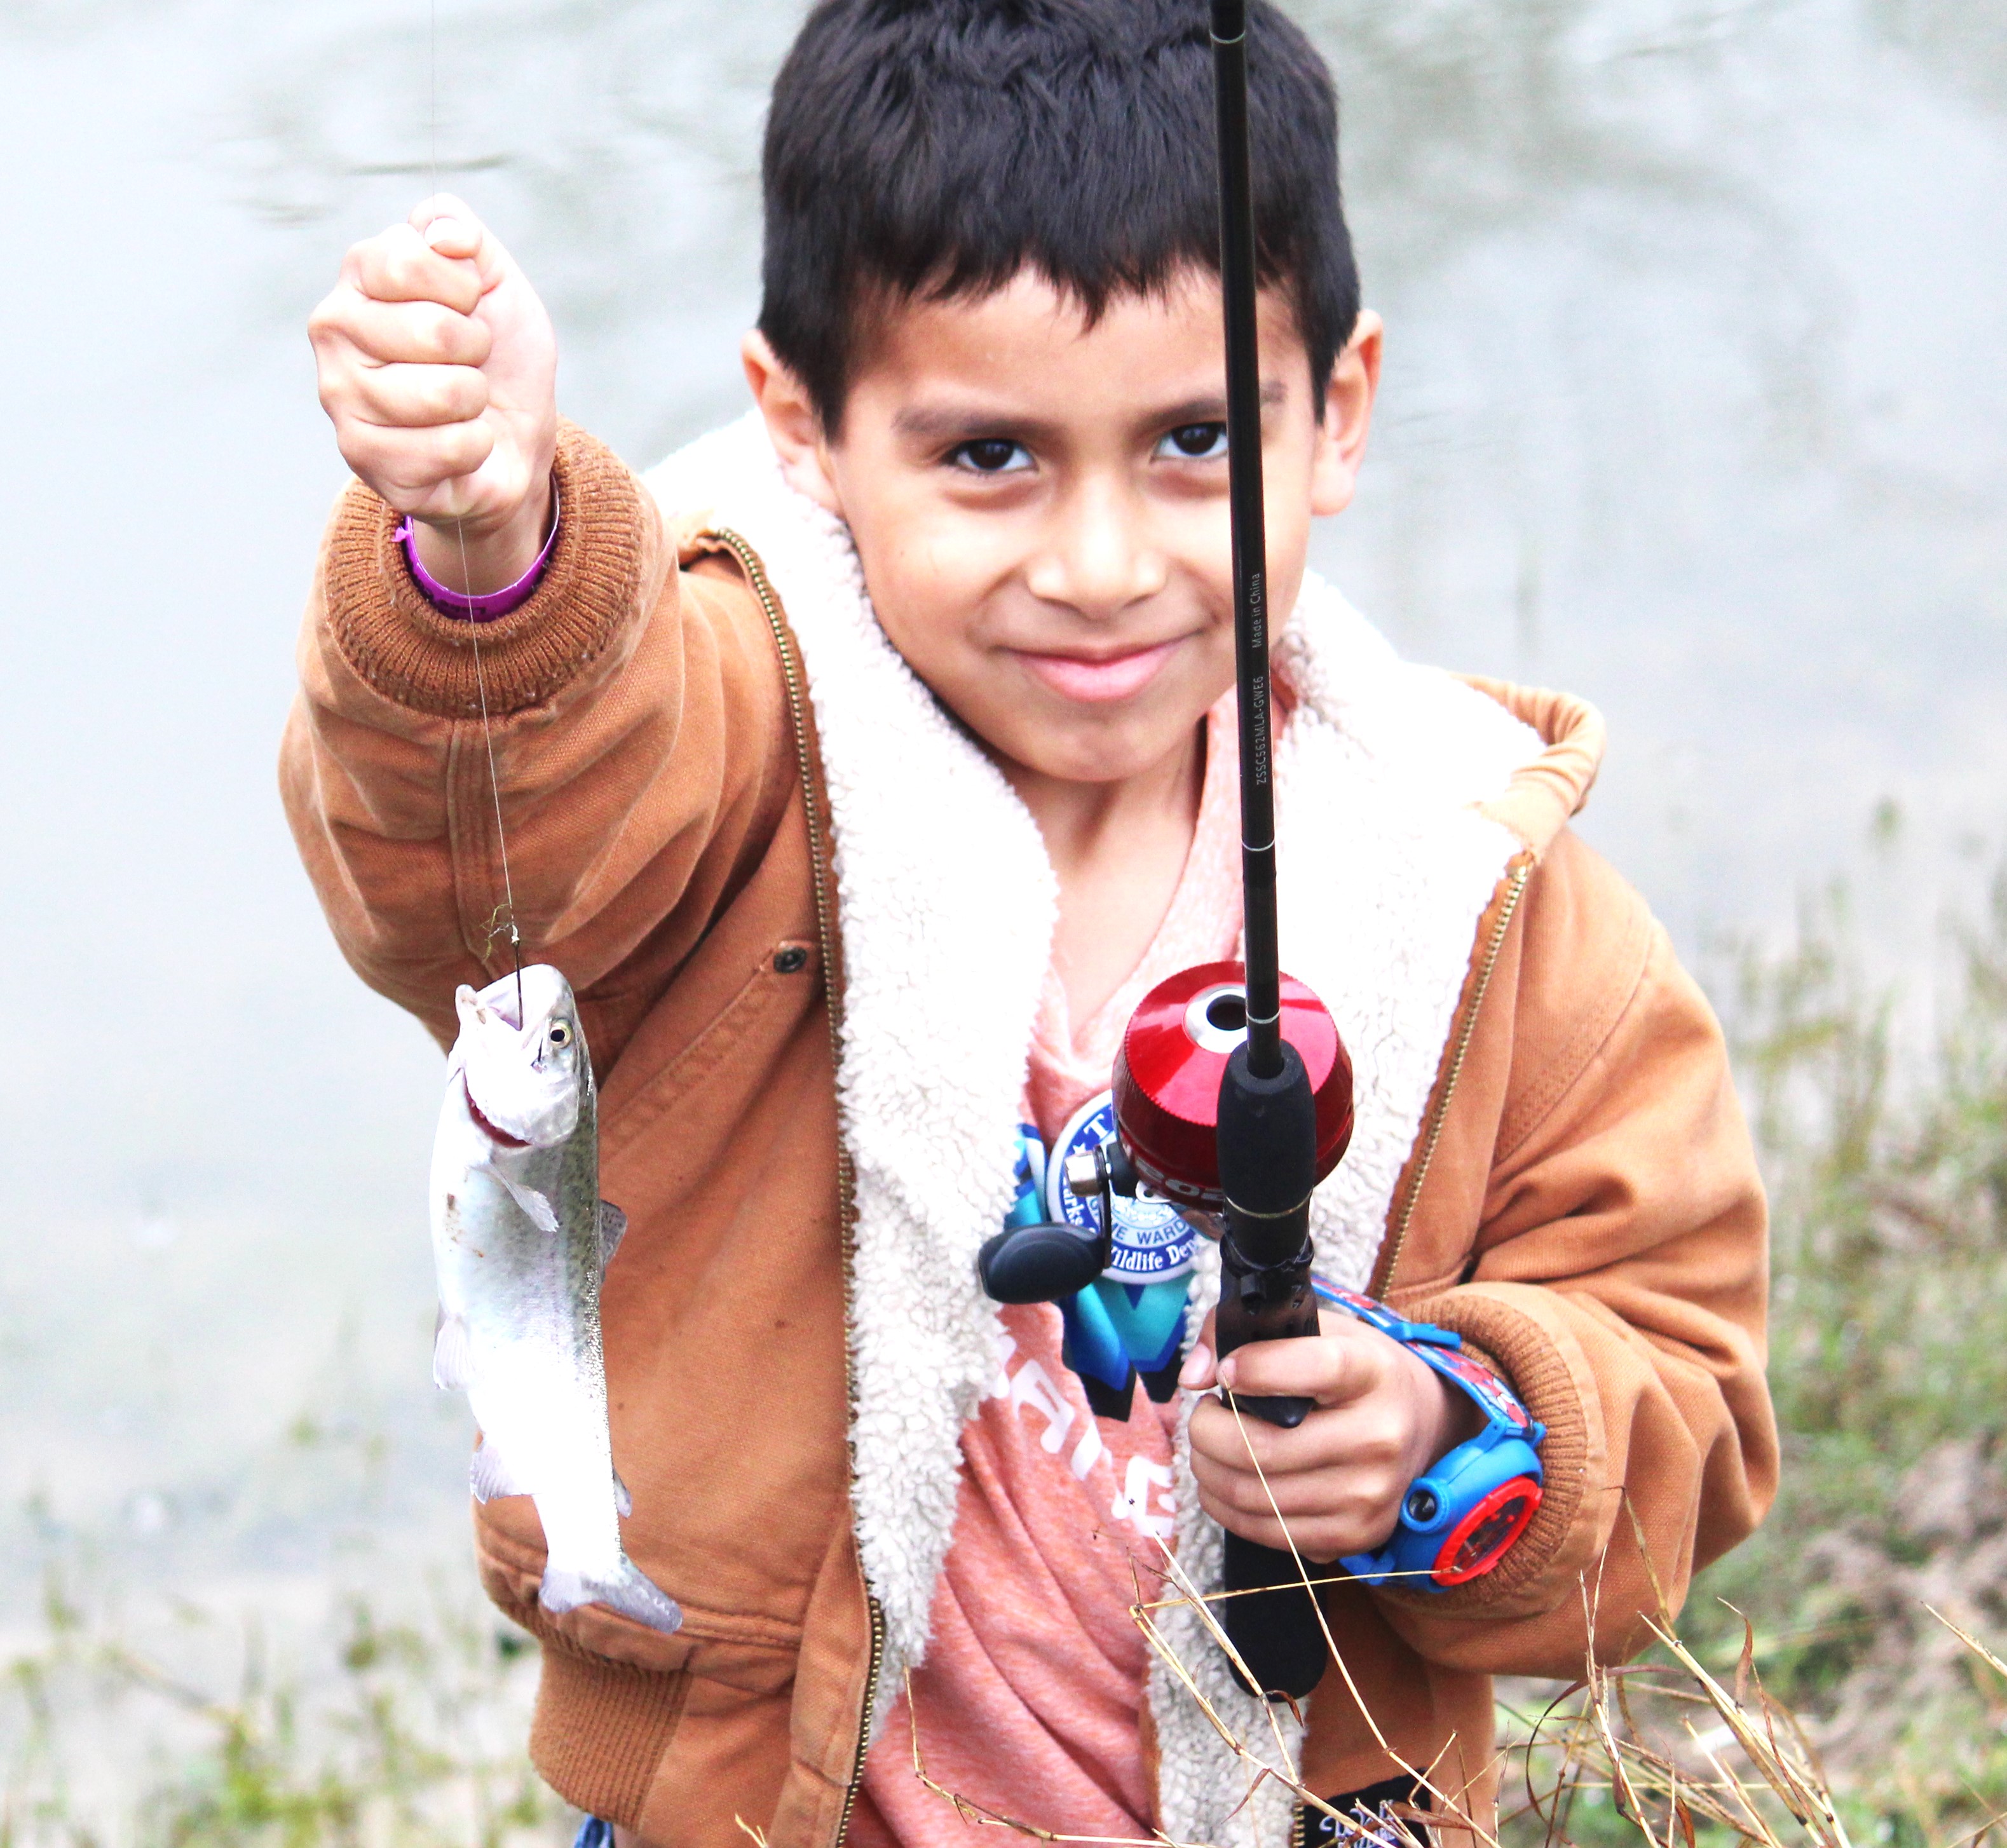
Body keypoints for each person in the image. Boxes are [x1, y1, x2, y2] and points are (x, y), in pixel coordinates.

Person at [287, 1, 1777, 1843]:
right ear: (801, 427)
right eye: (989, 455)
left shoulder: (1490, 901)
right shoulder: (737, 730)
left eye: (1195, 438)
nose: (1099, 563)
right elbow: (489, 839)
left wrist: (1450, 1435)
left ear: (1343, 413)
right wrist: (496, 556)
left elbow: (1683, 1382)